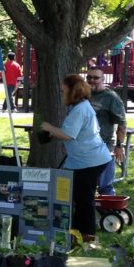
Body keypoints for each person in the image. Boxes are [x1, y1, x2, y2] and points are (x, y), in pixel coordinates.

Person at [39, 74, 111, 242]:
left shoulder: (80, 109)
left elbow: (69, 134)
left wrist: (48, 126)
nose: (62, 92)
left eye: (64, 89)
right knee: (79, 197)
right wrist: (53, 132)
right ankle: (77, 232)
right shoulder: (79, 106)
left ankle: (87, 236)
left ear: (72, 91)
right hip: (84, 160)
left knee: (84, 199)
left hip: (90, 161)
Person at [86, 67, 127, 195]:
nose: (92, 80)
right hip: (85, 146)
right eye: (89, 77)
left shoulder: (111, 97)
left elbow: (122, 122)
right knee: (85, 185)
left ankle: (111, 214)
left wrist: (119, 146)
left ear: (103, 79)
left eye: (96, 77)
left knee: (105, 186)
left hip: (104, 146)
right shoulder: (85, 95)